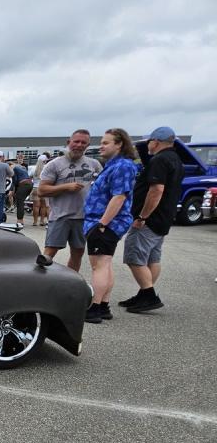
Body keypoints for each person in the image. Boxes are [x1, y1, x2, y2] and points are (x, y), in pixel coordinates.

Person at [119, 126, 185, 313]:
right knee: (152, 257)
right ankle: (143, 293)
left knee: (135, 257)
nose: (148, 144)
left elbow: (156, 190)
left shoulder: (160, 160)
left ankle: (149, 295)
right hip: (165, 216)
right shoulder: (175, 158)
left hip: (150, 218)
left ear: (156, 141)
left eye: (150, 141)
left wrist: (142, 216)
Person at [81, 129, 139, 323]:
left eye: (106, 142)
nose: (101, 146)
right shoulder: (113, 165)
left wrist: (102, 224)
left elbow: (119, 196)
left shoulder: (123, 166)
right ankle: (103, 305)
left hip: (106, 223)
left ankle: (94, 307)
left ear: (119, 144)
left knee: (99, 266)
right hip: (103, 222)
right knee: (104, 264)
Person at [38, 131, 102, 272]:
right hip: (60, 216)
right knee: (49, 253)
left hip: (83, 218)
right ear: (68, 142)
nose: (79, 145)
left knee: (77, 253)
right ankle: (37, 283)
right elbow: (41, 190)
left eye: (83, 143)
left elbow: (101, 190)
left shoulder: (94, 164)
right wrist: (66, 187)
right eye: (76, 141)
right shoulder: (54, 164)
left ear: (88, 146)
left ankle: (71, 282)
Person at [11, 156, 33, 228]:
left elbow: (15, 181)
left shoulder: (13, 169)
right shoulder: (21, 167)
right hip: (30, 184)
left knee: (20, 203)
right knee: (21, 201)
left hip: (23, 185)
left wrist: (13, 191)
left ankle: (19, 221)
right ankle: (21, 220)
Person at [31, 152, 51, 226]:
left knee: (36, 206)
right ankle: (42, 221)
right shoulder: (47, 168)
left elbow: (29, 177)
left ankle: (35, 222)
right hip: (44, 188)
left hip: (35, 188)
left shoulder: (33, 168)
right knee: (44, 206)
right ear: (45, 161)